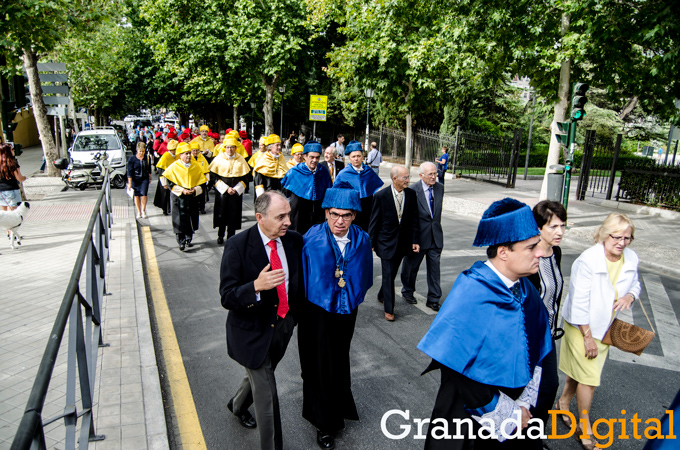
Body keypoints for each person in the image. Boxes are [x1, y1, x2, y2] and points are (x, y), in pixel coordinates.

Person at [418, 197, 553, 449]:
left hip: (520, 413)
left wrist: (524, 405)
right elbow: (455, 367)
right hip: (471, 416)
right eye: (532, 247)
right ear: (503, 252)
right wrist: (506, 412)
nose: (541, 253)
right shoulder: (471, 292)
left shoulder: (528, 291)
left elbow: (539, 351)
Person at [220, 191, 303, 450]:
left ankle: (238, 405)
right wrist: (256, 286)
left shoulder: (294, 241)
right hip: (250, 331)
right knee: (267, 393)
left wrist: (292, 318)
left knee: (260, 374)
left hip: (282, 326)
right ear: (260, 218)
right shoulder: (237, 245)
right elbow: (227, 296)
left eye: (288, 214)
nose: (288, 221)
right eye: (281, 217)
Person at [555, 213, 640, 450]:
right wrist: (588, 337)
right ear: (604, 235)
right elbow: (580, 302)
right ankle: (584, 427)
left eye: (627, 238)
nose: (622, 243)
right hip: (582, 327)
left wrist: (630, 295)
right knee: (589, 378)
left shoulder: (631, 257)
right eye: (616, 237)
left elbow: (636, 283)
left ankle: (563, 401)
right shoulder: (587, 261)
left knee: (581, 372)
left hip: (607, 326)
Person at [298, 182, 373, 450]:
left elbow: (364, 276)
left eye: (346, 215)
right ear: (326, 212)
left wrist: (349, 299)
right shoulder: (311, 239)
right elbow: (300, 280)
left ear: (354, 215)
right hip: (315, 314)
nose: (340, 221)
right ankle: (323, 423)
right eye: (334, 214)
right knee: (318, 366)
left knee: (339, 361)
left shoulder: (362, 239)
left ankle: (338, 407)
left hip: (345, 313)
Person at [527, 200, 567, 430]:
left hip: (548, 335)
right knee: (526, 388)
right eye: (553, 226)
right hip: (528, 336)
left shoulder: (556, 253)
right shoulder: (529, 255)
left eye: (563, 226)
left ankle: (534, 435)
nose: (560, 232)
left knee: (549, 386)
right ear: (539, 228)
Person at [369, 166, 419, 321]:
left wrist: (415, 240)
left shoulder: (411, 195)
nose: (408, 180)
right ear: (394, 179)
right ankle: (389, 308)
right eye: (405, 178)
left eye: (408, 177)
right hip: (385, 243)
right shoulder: (381, 196)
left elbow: (414, 220)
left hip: (403, 243)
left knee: (391, 273)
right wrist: (370, 243)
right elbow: (374, 221)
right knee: (389, 273)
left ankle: (382, 294)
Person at [400, 162, 444, 311]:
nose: (433, 177)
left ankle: (433, 298)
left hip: (435, 236)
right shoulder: (412, 190)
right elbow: (408, 218)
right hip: (418, 238)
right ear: (421, 176)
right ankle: (407, 290)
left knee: (434, 269)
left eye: (435, 173)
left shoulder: (440, 188)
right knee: (411, 267)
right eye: (430, 174)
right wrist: (412, 239)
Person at [161, 142, 207, 251]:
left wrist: (194, 190)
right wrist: (182, 190)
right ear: (180, 155)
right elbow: (169, 182)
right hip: (178, 197)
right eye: (185, 153)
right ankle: (180, 240)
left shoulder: (195, 165)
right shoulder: (174, 167)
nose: (188, 156)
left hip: (191, 196)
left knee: (191, 217)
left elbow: (202, 183)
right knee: (179, 218)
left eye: (189, 153)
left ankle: (188, 238)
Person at [281, 141, 332, 235]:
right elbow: (285, 192)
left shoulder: (323, 171)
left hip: (317, 213)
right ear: (305, 156)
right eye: (311, 157)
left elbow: (328, 191)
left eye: (317, 157)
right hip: (298, 214)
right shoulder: (294, 172)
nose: (314, 160)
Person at [333, 140, 383, 231]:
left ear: (363, 157)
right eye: (353, 156)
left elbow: (374, 192)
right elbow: (336, 194)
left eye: (359, 156)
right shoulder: (343, 174)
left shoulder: (368, 171)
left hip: (367, 209)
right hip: (351, 209)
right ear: (350, 158)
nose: (356, 159)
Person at [209, 136, 250, 244]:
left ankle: (231, 237)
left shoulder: (241, 159)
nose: (230, 149)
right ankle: (220, 234)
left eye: (232, 147)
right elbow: (213, 177)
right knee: (221, 213)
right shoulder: (218, 159)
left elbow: (246, 178)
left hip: (236, 192)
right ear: (224, 148)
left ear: (236, 148)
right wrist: (225, 189)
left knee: (233, 214)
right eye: (227, 147)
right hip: (222, 191)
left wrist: (236, 189)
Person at [0, 144, 26, 240]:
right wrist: (24, 178)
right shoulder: (12, 163)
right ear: (8, 151)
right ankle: (12, 235)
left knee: (4, 213)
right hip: (11, 190)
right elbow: (19, 177)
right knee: (12, 215)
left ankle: (8, 233)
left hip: (1, 192)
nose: (13, 151)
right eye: (12, 149)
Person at [153, 139, 178, 215]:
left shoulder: (178, 156)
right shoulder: (165, 156)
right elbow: (161, 171)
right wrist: (164, 183)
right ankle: (165, 209)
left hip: (175, 177)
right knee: (165, 193)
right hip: (165, 177)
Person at [127, 142, 152, 219]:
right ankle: (139, 211)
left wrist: (149, 177)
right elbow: (129, 171)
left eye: (143, 151)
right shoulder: (132, 159)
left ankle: (143, 210)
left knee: (144, 194)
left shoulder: (147, 158)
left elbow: (149, 168)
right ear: (137, 150)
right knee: (136, 195)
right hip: (135, 179)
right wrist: (130, 183)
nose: (142, 153)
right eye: (140, 151)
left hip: (144, 179)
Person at [190, 142, 211, 214]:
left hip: (201, 179)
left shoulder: (202, 157)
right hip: (193, 179)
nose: (195, 152)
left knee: (202, 195)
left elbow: (206, 168)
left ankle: (202, 208)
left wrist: (207, 178)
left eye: (197, 150)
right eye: (193, 150)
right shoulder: (189, 158)